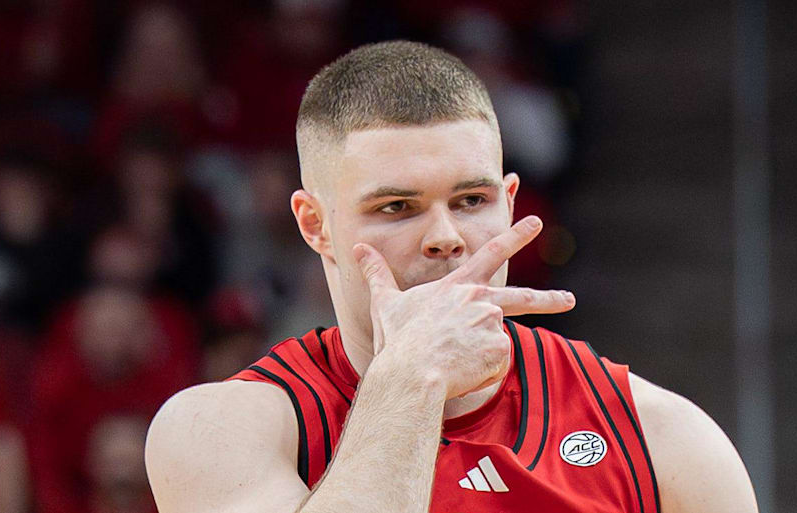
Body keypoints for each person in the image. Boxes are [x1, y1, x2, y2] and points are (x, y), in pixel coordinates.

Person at [144, 41, 758, 513]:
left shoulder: (659, 435)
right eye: (397, 207)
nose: (447, 236)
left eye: (471, 200)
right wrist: (412, 375)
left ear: (510, 204)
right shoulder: (219, 429)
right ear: (315, 225)